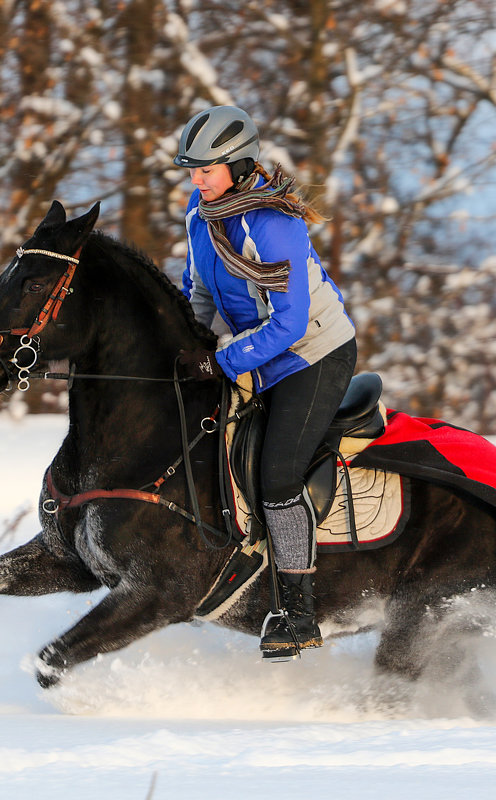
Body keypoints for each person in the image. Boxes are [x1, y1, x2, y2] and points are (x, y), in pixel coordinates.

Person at [173, 105, 358, 659]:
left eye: (206, 169)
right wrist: (185, 348)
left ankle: (298, 613)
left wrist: (223, 362)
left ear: (239, 163)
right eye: (192, 170)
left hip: (311, 355)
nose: (195, 180)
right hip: (256, 351)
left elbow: (290, 323)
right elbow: (200, 293)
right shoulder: (199, 214)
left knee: (277, 476)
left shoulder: (274, 226)